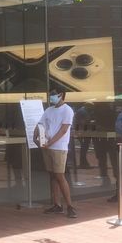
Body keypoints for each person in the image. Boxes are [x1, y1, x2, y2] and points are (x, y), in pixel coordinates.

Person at [34, 88, 77, 218]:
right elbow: (40, 124)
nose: (51, 97)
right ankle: (57, 204)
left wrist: (50, 143)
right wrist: (34, 136)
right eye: (50, 95)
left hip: (59, 147)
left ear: (61, 95)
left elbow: (64, 130)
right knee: (52, 175)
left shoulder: (67, 110)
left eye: (53, 95)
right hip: (48, 146)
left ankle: (70, 206)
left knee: (59, 175)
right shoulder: (49, 110)